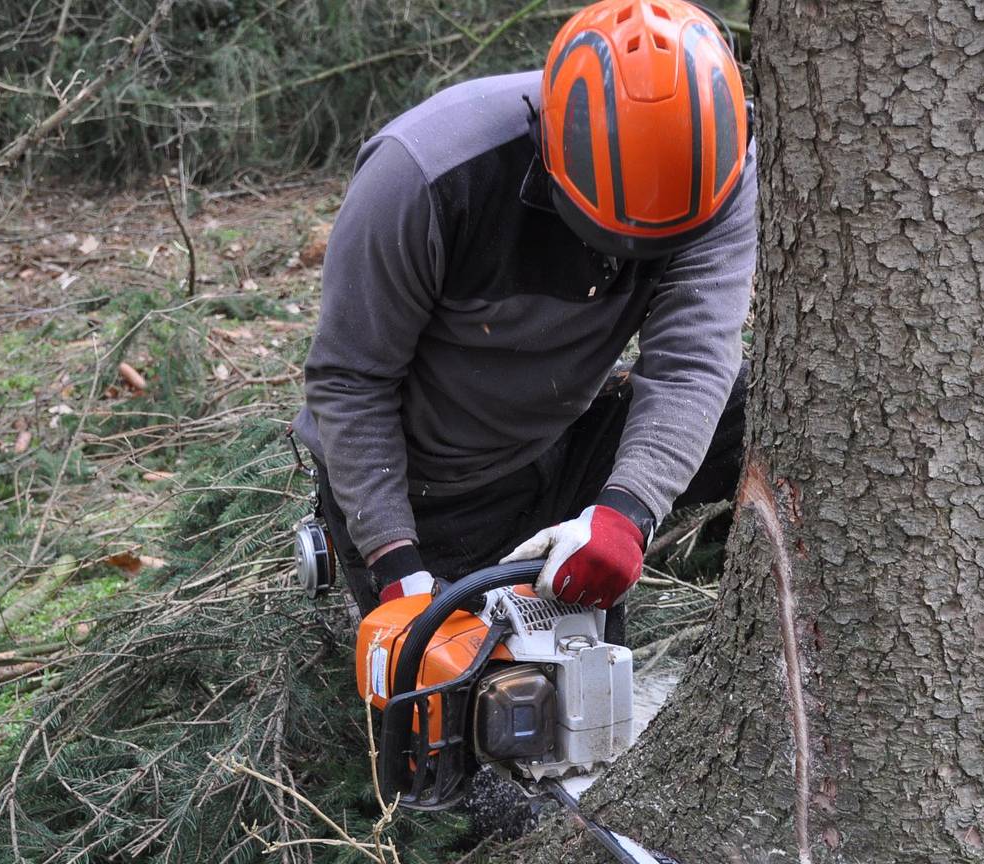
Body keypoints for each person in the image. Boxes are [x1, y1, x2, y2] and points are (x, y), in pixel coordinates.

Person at [293, 0, 755, 617]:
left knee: (772, 406)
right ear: (550, 143)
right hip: (433, 482)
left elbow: (692, 358)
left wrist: (627, 511)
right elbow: (352, 378)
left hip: (567, 426)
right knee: (494, 695)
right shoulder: (426, 175)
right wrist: (395, 562)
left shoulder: (719, 168)